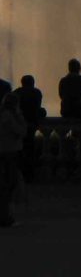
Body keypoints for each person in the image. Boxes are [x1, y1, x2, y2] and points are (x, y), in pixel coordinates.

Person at [0, 93, 26, 227]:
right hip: (10, 152)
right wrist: (20, 115)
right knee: (8, 185)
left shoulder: (3, 115)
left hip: (4, 151)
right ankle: (5, 217)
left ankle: (5, 215)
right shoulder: (10, 117)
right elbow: (22, 131)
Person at [13, 75, 43, 182]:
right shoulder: (36, 92)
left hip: (19, 125)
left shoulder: (16, 92)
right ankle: (29, 174)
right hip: (31, 125)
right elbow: (38, 108)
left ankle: (20, 173)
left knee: (20, 150)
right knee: (30, 149)